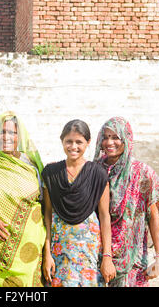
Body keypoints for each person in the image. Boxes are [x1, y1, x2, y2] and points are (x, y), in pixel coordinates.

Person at [93, 116, 159, 287]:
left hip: (131, 258)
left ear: (126, 139)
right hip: (97, 253)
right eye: (105, 137)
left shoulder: (142, 173)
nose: (109, 142)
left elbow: (153, 217)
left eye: (115, 137)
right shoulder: (94, 170)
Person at [41, 119, 116, 287]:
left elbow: (104, 217)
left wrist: (107, 256)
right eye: (69, 141)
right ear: (62, 141)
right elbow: (47, 215)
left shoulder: (98, 174)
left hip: (88, 249)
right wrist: (47, 253)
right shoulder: (51, 174)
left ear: (88, 143)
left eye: (79, 142)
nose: (73, 146)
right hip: (59, 248)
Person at [0, 111, 46, 287]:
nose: (6, 137)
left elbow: (45, 205)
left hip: (30, 251)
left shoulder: (32, 166)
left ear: (20, 137)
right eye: (2, 132)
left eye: (12, 133)